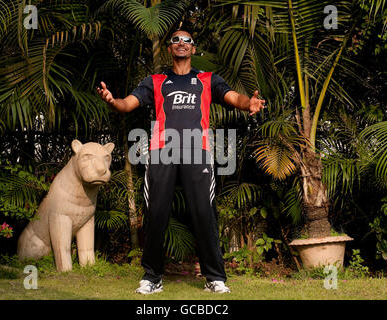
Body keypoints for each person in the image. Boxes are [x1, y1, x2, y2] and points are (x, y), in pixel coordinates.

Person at [97, 29, 265, 294]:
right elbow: (128, 104)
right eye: (176, 40)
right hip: (162, 151)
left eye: (187, 40)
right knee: (156, 215)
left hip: (197, 152)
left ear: (193, 49)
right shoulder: (155, 80)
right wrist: (112, 101)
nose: (181, 43)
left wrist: (249, 103)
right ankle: (152, 277)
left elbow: (233, 97)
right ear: (169, 49)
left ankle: (215, 278)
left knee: (204, 214)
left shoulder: (208, 79)